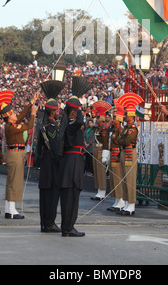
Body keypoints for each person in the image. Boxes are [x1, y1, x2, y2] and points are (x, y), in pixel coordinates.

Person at [0, 90, 38, 219]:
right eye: (14, 114)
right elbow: (29, 124)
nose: (17, 115)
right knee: (14, 182)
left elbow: (21, 116)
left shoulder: (10, 124)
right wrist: (33, 113)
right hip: (15, 154)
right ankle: (11, 210)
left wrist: (31, 103)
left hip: (15, 154)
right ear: (9, 117)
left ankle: (9, 209)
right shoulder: (11, 127)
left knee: (12, 181)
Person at [58, 76, 93, 237]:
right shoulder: (72, 124)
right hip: (73, 163)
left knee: (70, 196)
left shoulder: (69, 124)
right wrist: (76, 104)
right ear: (72, 112)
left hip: (71, 162)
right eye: (77, 110)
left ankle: (67, 226)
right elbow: (79, 120)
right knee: (71, 195)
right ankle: (68, 226)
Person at [36, 80, 64, 233]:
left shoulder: (43, 123)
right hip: (51, 163)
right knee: (52, 194)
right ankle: (49, 223)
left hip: (44, 162)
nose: (58, 112)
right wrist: (59, 159)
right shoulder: (51, 126)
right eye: (57, 110)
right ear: (53, 112)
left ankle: (44, 223)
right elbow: (54, 145)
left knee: (44, 194)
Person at [115, 92, 143, 216]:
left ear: (132, 116)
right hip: (123, 152)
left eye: (126, 114)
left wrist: (121, 140)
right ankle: (126, 203)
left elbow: (125, 140)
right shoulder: (126, 129)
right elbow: (119, 140)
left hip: (129, 152)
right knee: (124, 178)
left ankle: (131, 205)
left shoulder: (132, 129)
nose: (125, 116)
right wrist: (121, 140)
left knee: (130, 179)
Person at [90, 101, 112, 201]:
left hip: (100, 150)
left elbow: (106, 143)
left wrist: (105, 155)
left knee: (101, 171)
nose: (97, 119)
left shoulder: (104, 129)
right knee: (96, 171)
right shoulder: (98, 128)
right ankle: (98, 189)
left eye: (98, 117)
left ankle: (102, 190)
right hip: (96, 150)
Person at [106, 102, 125, 212]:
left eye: (114, 118)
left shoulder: (120, 130)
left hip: (117, 155)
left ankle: (121, 200)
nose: (112, 120)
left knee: (118, 177)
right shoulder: (113, 130)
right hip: (112, 154)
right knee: (113, 178)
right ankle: (117, 199)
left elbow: (120, 143)